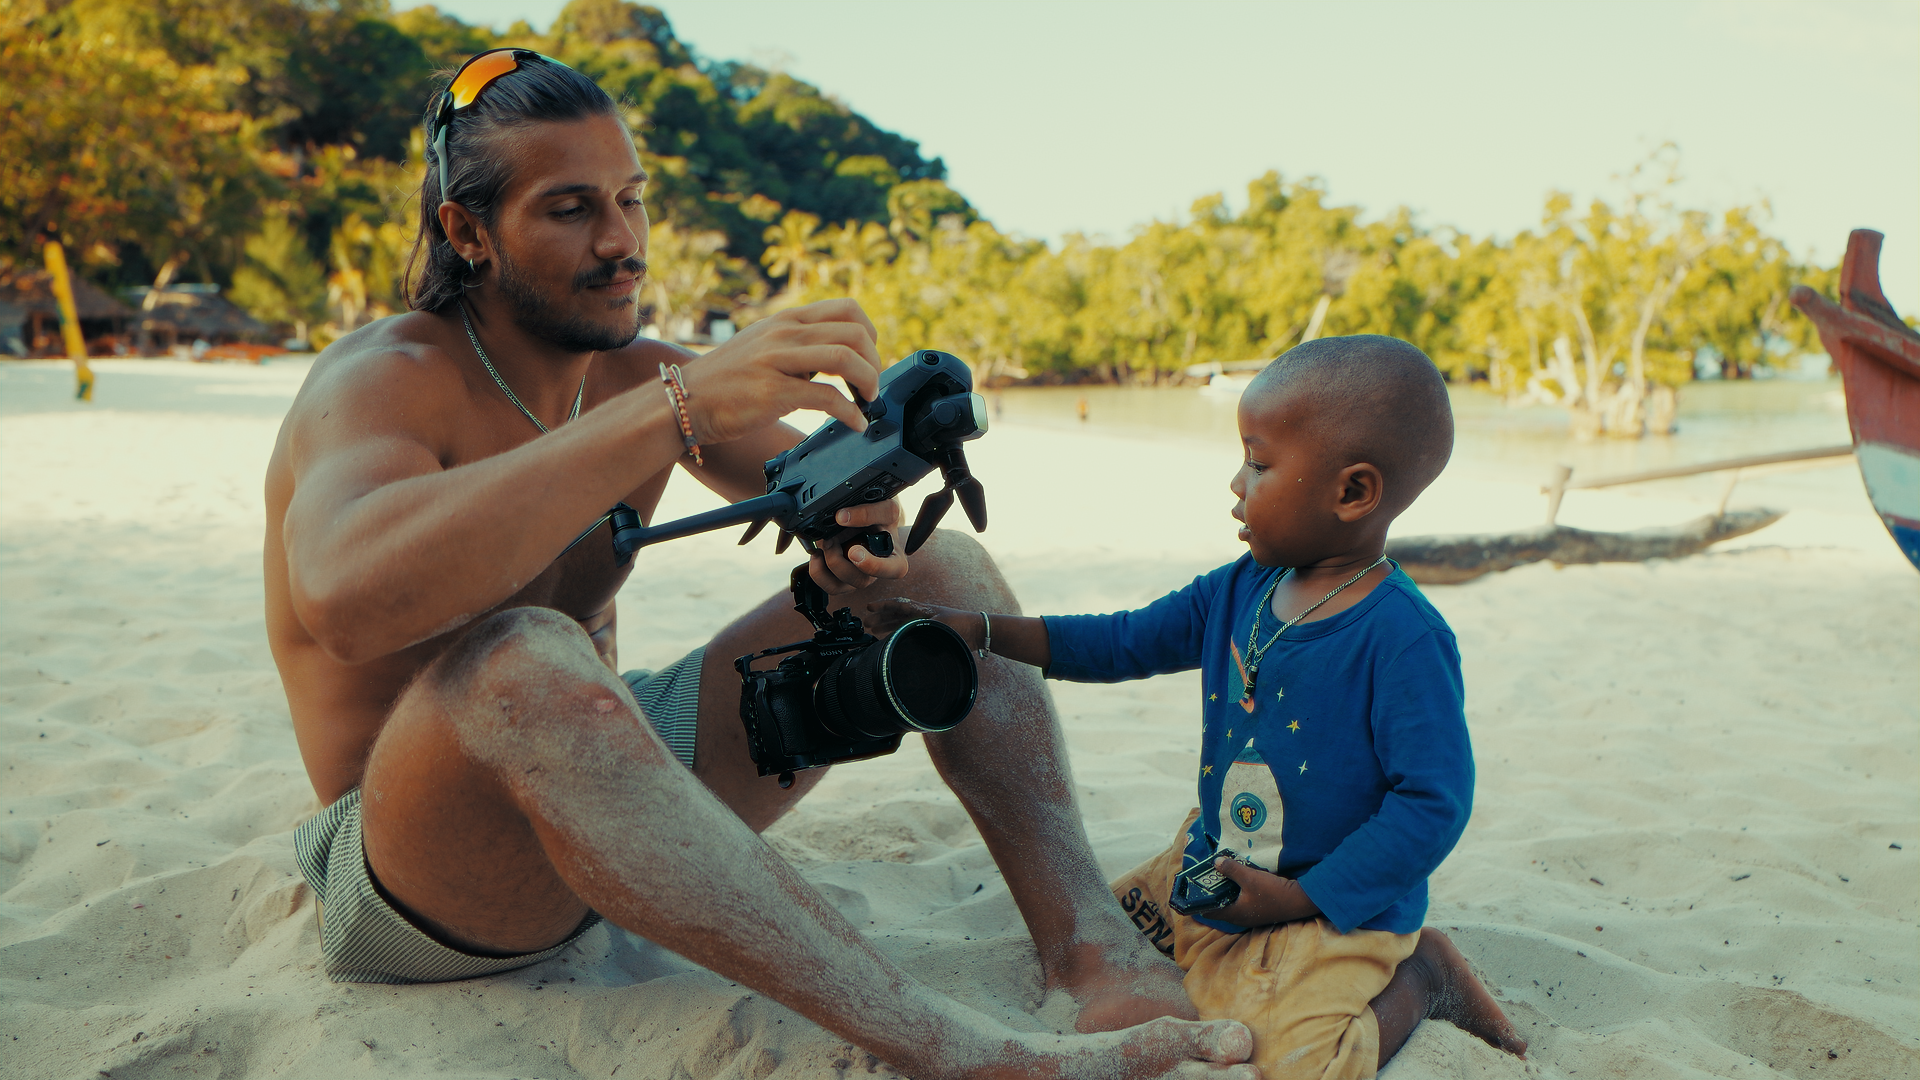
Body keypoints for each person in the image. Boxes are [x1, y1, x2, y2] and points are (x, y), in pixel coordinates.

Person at [262, 49, 1258, 1080]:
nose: (621, 242)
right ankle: (956, 1052)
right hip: (418, 874)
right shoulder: (384, 381)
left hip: (613, 801)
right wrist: (676, 408)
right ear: (468, 232)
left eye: (631, 200)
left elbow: (852, 509)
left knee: (942, 570)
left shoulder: (639, 377)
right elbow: (344, 598)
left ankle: (1093, 952)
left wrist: (867, 519)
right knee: (523, 655)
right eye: (570, 209)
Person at [869, 336, 1530, 1079]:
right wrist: (981, 629)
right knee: (1091, 939)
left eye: (1259, 463)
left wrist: (1299, 897)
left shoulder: (1403, 638)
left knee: (1302, 1065)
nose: (1236, 484)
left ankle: (1425, 975)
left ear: (1352, 494)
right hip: (1219, 857)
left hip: (1332, 907)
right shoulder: (1240, 587)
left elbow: (1433, 804)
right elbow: (1123, 641)